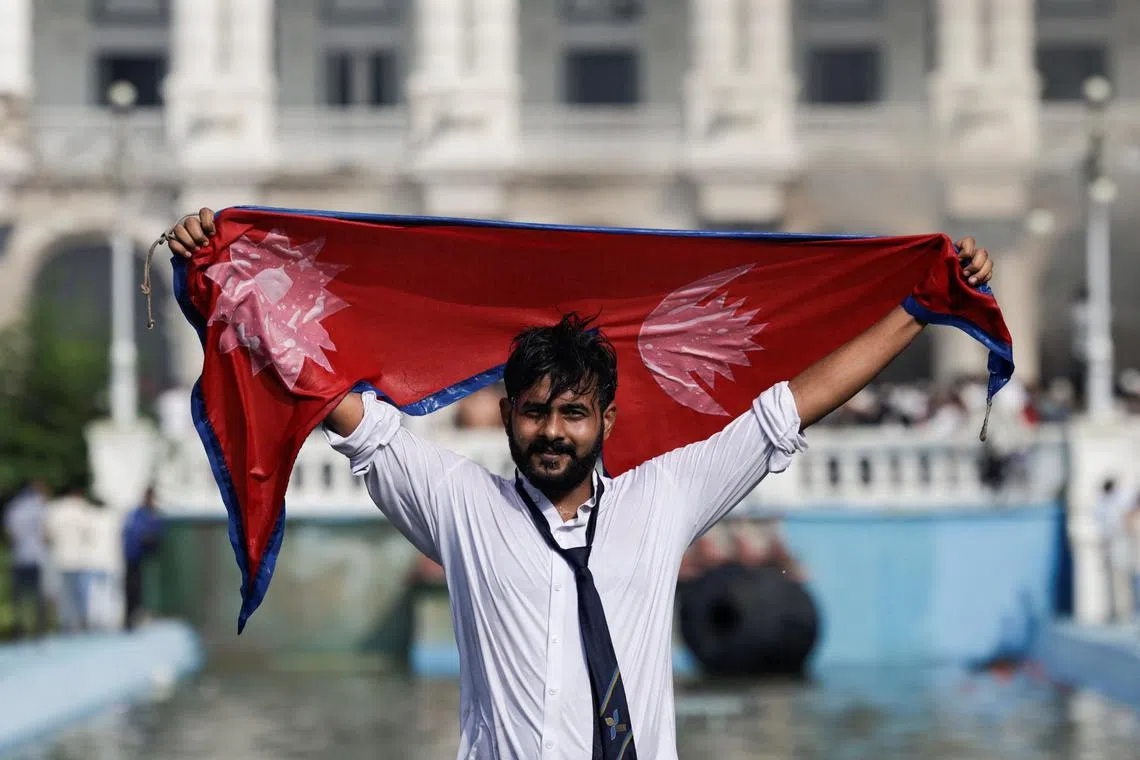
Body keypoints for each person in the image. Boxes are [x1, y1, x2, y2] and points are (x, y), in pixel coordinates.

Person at [168, 208, 994, 759]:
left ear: (606, 416)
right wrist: (225, 286)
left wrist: (921, 309)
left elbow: (790, 407)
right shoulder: (463, 508)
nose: (551, 432)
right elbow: (341, 404)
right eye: (533, 414)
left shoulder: (663, 499)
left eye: (571, 413)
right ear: (506, 416)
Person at [43, 479, 97, 633]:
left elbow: (47, 536)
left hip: (60, 558)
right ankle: (80, 622)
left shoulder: (55, 509)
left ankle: (66, 624)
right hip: (79, 558)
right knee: (79, 592)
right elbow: (90, 534)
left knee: (64, 593)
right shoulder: (83, 509)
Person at [3, 480, 50, 638]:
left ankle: (19, 628)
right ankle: (39, 629)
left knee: (18, 596)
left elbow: (10, 534)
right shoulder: (39, 506)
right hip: (36, 556)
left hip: (19, 557)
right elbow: (45, 531)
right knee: (37, 594)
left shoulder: (14, 507)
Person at [121, 487, 165, 630]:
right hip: (134, 557)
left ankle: (138, 616)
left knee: (141, 590)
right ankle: (130, 618)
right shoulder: (138, 514)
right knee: (132, 589)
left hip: (146, 560)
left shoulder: (153, 515)